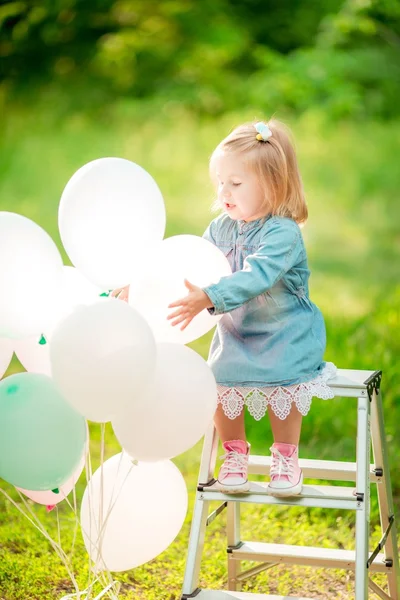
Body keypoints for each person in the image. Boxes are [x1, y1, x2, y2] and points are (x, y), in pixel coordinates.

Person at [166, 119, 337, 497]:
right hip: (238, 333)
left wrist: (209, 296)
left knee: (285, 382)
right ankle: (234, 453)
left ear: (272, 183)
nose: (224, 192)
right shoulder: (220, 228)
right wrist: (144, 283)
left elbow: (257, 275)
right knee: (218, 381)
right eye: (220, 182)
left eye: (236, 183)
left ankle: (286, 455)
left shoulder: (283, 233)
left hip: (286, 332)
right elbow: (189, 263)